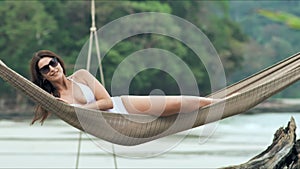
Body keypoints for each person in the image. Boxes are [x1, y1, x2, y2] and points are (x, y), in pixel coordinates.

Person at [30, 50, 220, 124]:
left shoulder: (81, 76)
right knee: (175, 113)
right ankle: (222, 102)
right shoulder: (55, 99)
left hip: (124, 107)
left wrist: (79, 109)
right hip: (111, 125)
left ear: (59, 62)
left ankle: (225, 102)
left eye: (53, 62)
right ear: (43, 77)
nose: (52, 69)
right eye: (45, 69)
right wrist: (69, 109)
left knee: (181, 104)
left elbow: (106, 103)